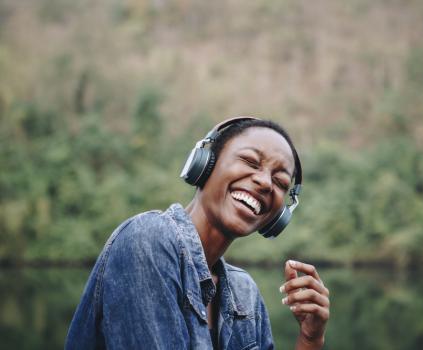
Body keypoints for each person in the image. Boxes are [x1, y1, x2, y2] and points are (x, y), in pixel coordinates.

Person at [65, 117, 330, 349]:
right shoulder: (147, 241)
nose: (264, 182)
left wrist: (310, 339)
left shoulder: (244, 293)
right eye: (250, 161)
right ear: (205, 163)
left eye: (281, 182)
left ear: (278, 216)